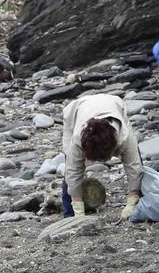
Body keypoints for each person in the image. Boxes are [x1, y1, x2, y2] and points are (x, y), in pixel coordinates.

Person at [60, 93, 143, 221]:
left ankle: (140, 204)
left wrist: (131, 201)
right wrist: (79, 213)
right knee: (69, 168)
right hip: (77, 110)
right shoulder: (78, 139)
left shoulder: (124, 137)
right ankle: (70, 215)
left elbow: (134, 167)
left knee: (137, 163)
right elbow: (73, 172)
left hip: (113, 105)